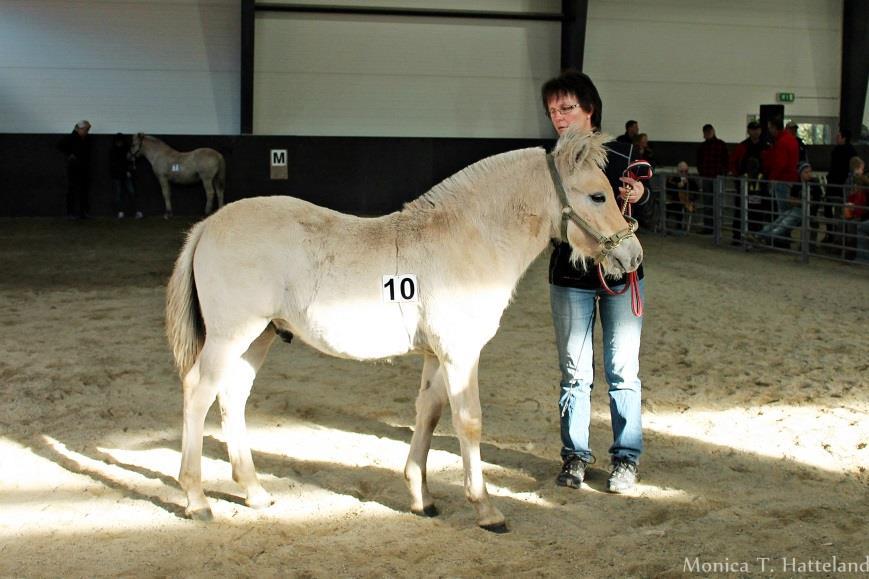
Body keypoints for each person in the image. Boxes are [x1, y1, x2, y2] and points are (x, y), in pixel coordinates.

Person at [541, 69, 649, 494]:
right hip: (569, 275)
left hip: (621, 276)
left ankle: (626, 458)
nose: (559, 117)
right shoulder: (550, 166)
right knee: (574, 372)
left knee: (623, 370)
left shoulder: (625, 156)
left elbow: (646, 213)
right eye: (552, 111)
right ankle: (575, 456)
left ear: (590, 110)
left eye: (567, 108)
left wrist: (642, 198)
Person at [751, 161, 822, 247]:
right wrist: (802, 201)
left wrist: (800, 202)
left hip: (807, 211)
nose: (809, 174)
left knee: (784, 223)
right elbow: (791, 201)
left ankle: (763, 236)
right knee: (779, 221)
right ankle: (759, 235)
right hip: (797, 209)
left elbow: (813, 202)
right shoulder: (797, 184)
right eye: (806, 172)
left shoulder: (814, 184)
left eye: (810, 171)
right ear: (800, 173)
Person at [729, 121, 768, 241]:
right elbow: (733, 162)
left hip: (760, 186)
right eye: (753, 129)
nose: (755, 132)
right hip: (744, 184)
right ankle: (737, 236)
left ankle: (757, 235)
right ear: (748, 131)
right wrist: (737, 177)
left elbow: (769, 164)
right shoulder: (742, 146)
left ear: (760, 131)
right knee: (741, 209)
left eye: (757, 129)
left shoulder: (766, 146)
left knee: (758, 211)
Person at [823, 128, 858, 245]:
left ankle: (834, 236)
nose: (836, 138)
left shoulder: (837, 151)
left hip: (836, 186)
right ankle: (841, 238)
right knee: (842, 213)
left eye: (838, 136)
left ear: (843, 138)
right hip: (843, 187)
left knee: (836, 211)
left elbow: (834, 168)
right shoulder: (852, 151)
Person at [762, 117, 799, 219]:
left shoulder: (781, 142)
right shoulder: (791, 140)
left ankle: (780, 233)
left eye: (770, 128)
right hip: (790, 179)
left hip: (782, 179)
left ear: (774, 128)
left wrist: (772, 178)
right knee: (785, 210)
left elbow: (780, 163)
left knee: (782, 211)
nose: (769, 130)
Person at [695, 124, 729, 233]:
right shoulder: (714, 145)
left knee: (714, 203)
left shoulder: (719, 145)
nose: (707, 134)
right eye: (706, 132)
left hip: (715, 177)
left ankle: (715, 226)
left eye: (708, 132)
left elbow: (726, 160)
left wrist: (723, 173)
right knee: (709, 203)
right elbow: (699, 162)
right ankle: (710, 227)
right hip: (709, 177)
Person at [56, 120, 93, 219]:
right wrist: (70, 154)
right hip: (75, 168)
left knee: (83, 191)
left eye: (87, 130)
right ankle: (71, 213)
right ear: (80, 129)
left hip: (83, 168)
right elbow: (60, 145)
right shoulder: (71, 138)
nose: (87, 131)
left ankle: (82, 212)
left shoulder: (84, 138)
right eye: (86, 129)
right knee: (73, 190)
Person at [109, 133, 142, 219]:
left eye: (120, 142)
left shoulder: (125, 150)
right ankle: (121, 211)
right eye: (118, 142)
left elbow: (128, 161)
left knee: (131, 192)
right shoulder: (113, 151)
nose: (119, 143)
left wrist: (129, 168)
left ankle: (136, 211)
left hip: (124, 174)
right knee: (119, 194)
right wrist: (126, 171)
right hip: (118, 175)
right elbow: (115, 164)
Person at [664, 161, 697, 233]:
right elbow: (668, 189)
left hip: (687, 200)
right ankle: (667, 226)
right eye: (682, 171)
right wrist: (677, 186)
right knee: (671, 205)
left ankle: (679, 226)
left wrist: (691, 198)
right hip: (674, 199)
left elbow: (696, 190)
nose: (684, 173)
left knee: (679, 205)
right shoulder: (673, 178)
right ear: (678, 171)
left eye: (686, 171)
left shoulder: (691, 179)